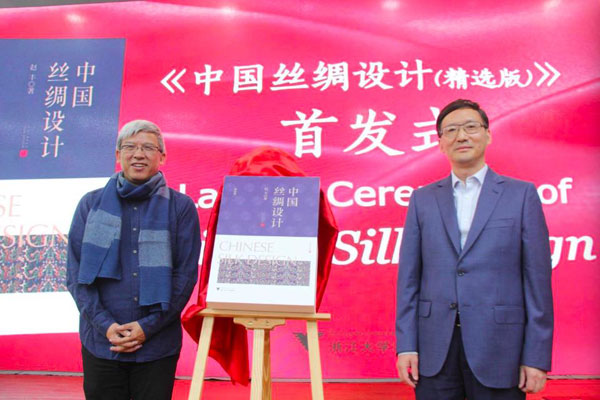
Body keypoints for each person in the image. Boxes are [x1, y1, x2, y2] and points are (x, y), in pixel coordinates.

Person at [395, 99, 553, 399]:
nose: (461, 136)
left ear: (488, 135)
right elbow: (409, 281)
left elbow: (537, 283)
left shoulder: (521, 195)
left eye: (470, 127)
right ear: (441, 143)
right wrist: (406, 346)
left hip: (501, 347)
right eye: (451, 130)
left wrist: (536, 356)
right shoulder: (422, 200)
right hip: (434, 348)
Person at [67, 120, 201, 400]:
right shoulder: (90, 205)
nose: (138, 154)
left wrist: (147, 327)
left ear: (162, 157)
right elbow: (76, 276)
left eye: (148, 148)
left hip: (157, 345)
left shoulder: (181, 207)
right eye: (130, 147)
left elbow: (185, 277)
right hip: (101, 342)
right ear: (118, 155)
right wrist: (105, 325)